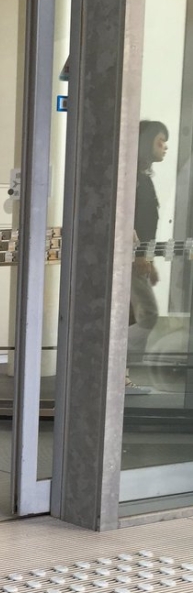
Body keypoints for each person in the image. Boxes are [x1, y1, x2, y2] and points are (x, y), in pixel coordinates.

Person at [126, 120, 168, 395]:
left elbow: (144, 222)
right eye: (159, 141)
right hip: (128, 258)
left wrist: (149, 258)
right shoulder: (133, 178)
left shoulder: (142, 178)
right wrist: (141, 254)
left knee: (130, 316)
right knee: (148, 315)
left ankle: (121, 375)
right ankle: (117, 370)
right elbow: (125, 219)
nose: (164, 147)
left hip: (136, 258)